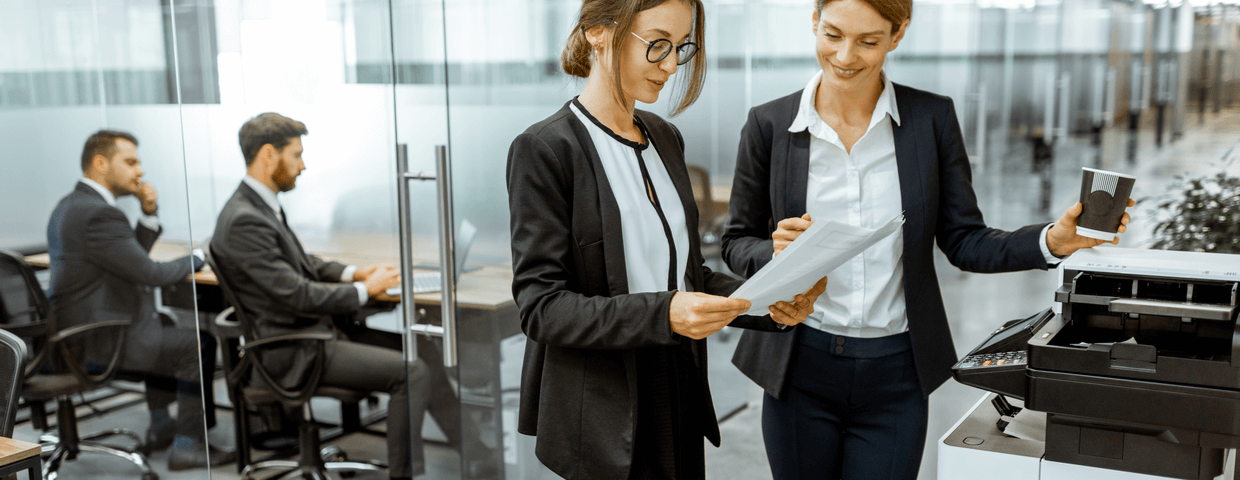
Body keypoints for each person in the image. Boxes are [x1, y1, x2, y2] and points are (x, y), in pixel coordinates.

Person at [720, 1, 1135, 479]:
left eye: (869, 41)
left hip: (895, 373)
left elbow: (965, 240)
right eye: (832, 34)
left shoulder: (930, 120)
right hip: (799, 367)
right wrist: (774, 250)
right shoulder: (769, 124)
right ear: (814, 23)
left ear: (897, 35)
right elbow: (736, 241)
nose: (845, 56)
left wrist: (1051, 241)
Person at [506, 1, 828, 479]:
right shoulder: (547, 149)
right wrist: (665, 313)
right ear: (598, 32)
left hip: (678, 383)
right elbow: (542, 308)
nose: (672, 64)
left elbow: (687, 275)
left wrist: (772, 303)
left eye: (681, 47)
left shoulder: (664, 137)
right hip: (603, 409)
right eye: (657, 43)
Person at [211, 112, 448, 480]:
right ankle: (406, 476)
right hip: (293, 349)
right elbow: (299, 295)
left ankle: (479, 455)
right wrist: (363, 291)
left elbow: (304, 264)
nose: (303, 166)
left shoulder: (257, 205)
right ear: (269, 155)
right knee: (412, 372)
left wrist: (355, 273)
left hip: (311, 334)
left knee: (423, 349)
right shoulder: (244, 219)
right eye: (297, 155)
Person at [46, 129, 235, 470]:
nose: (140, 171)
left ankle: (162, 426)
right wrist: (198, 256)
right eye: (130, 162)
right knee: (196, 343)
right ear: (101, 163)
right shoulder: (99, 214)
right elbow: (150, 273)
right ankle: (188, 446)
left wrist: (149, 213)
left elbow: (128, 262)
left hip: (78, 335)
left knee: (160, 324)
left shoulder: (72, 205)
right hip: (101, 341)